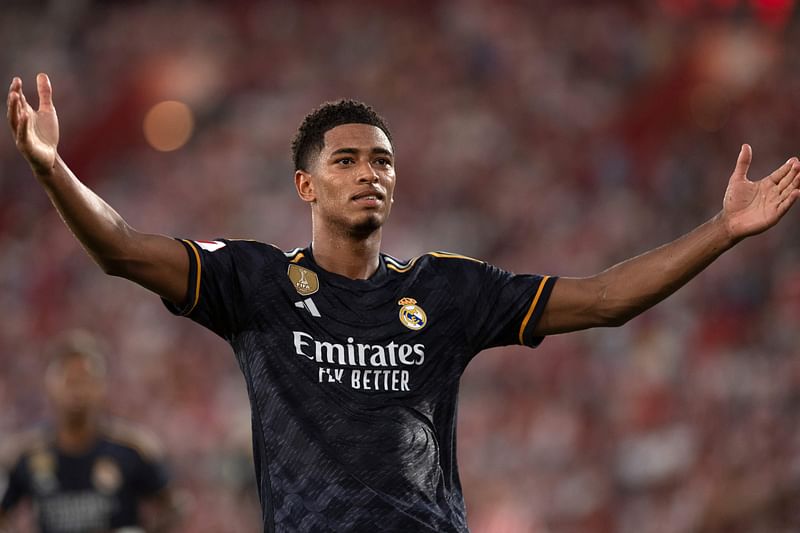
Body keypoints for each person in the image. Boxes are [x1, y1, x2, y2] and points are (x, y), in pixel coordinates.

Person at [6, 73, 799, 532]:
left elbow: (601, 301)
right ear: (305, 185)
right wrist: (52, 171)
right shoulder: (256, 284)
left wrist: (722, 230)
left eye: (381, 160)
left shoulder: (447, 289)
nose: (369, 172)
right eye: (346, 159)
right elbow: (120, 246)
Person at [0, 331, 182, 533]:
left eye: (85, 380)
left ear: (102, 386)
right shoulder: (24, 455)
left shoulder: (133, 448)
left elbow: (173, 507)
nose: (77, 389)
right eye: (69, 380)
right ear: (50, 385)